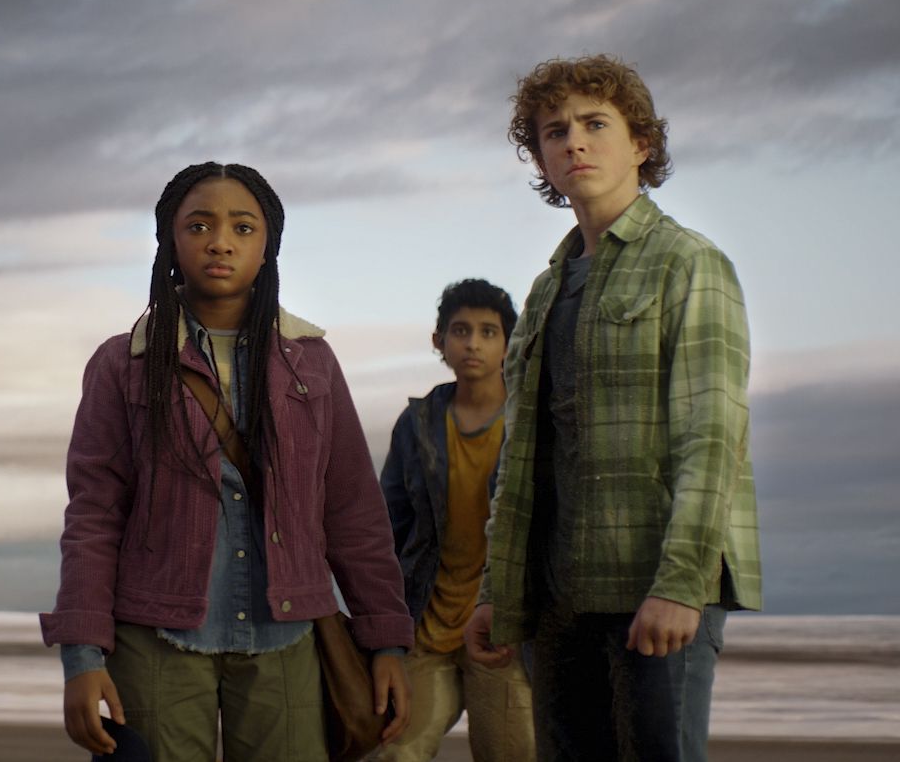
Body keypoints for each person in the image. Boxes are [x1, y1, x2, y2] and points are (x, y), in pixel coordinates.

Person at [40, 162, 413, 762]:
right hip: (155, 639)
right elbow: (93, 515)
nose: (220, 241)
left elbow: (353, 513)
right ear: (170, 241)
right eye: (200, 225)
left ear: (268, 248)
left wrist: (387, 641)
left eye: (243, 228)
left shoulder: (311, 362)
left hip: (287, 636)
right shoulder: (122, 363)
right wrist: (81, 655)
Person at [463, 55, 762, 761]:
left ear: (641, 144)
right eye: (553, 130)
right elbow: (521, 460)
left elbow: (711, 438)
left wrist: (682, 585)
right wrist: (496, 593)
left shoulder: (689, 262)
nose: (574, 142)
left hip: (653, 588)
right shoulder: (544, 292)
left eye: (596, 123)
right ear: (540, 156)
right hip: (557, 602)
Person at [375, 279, 535, 762]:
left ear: (509, 343)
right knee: (394, 753)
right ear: (439, 340)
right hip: (428, 627)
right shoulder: (419, 423)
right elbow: (388, 528)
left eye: (489, 332)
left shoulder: (528, 420)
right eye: (461, 330)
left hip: (502, 631)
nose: (473, 343)